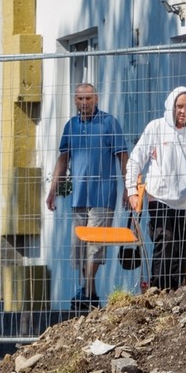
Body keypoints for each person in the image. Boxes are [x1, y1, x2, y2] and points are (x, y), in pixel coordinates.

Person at [45, 84, 128, 311]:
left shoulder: (109, 123)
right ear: (75, 101)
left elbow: (122, 156)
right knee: (81, 247)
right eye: (80, 99)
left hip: (103, 195)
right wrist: (53, 189)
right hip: (79, 196)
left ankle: (88, 291)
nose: (84, 103)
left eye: (88, 98)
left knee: (95, 246)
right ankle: (89, 293)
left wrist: (128, 188)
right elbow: (63, 159)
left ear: (96, 99)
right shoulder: (71, 126)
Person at [126, 86, 186, 290]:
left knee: (183, 249)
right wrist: (132, 191)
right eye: (180, 106)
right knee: (165, 242)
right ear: (171, 107)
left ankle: (178, 292)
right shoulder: (156, 128)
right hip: (160, 197)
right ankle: (158, 290)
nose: (184, 111)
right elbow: (135, 159)